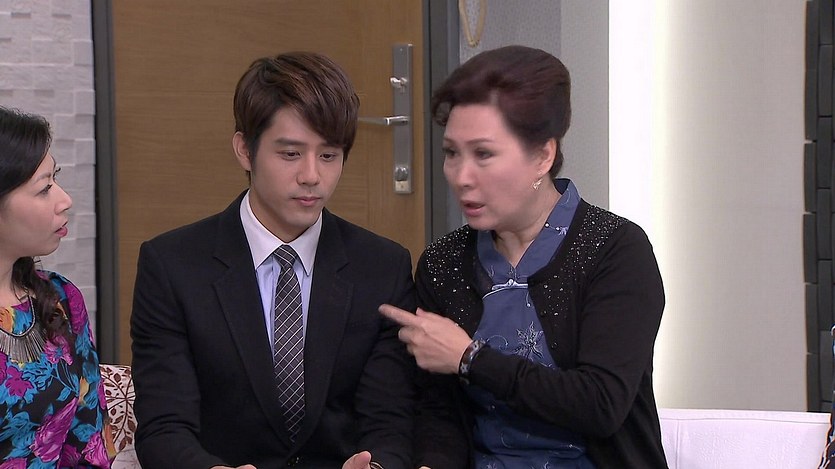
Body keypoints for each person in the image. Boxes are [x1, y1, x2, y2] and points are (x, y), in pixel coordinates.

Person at [379, 45, 667, 468]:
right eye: (452, 153)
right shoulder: (443, 263)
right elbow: (440, 414)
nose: (461, 177)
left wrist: (470, 358)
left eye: (483, 154)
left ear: (543, 156)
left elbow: (601, 404)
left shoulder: (615, 249)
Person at [130, 51, 416, 469]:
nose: (312, 176)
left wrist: (376, 465)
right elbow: (164, 426)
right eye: (290, 154)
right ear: (244, 150)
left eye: (329, 155)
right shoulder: (172, 265)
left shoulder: (383, 266)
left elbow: (390, 422)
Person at [0, 107, 111, 467]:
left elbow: (88, 441)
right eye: (44, 188)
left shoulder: (60, 299)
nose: (65, 200)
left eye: (55, 180)